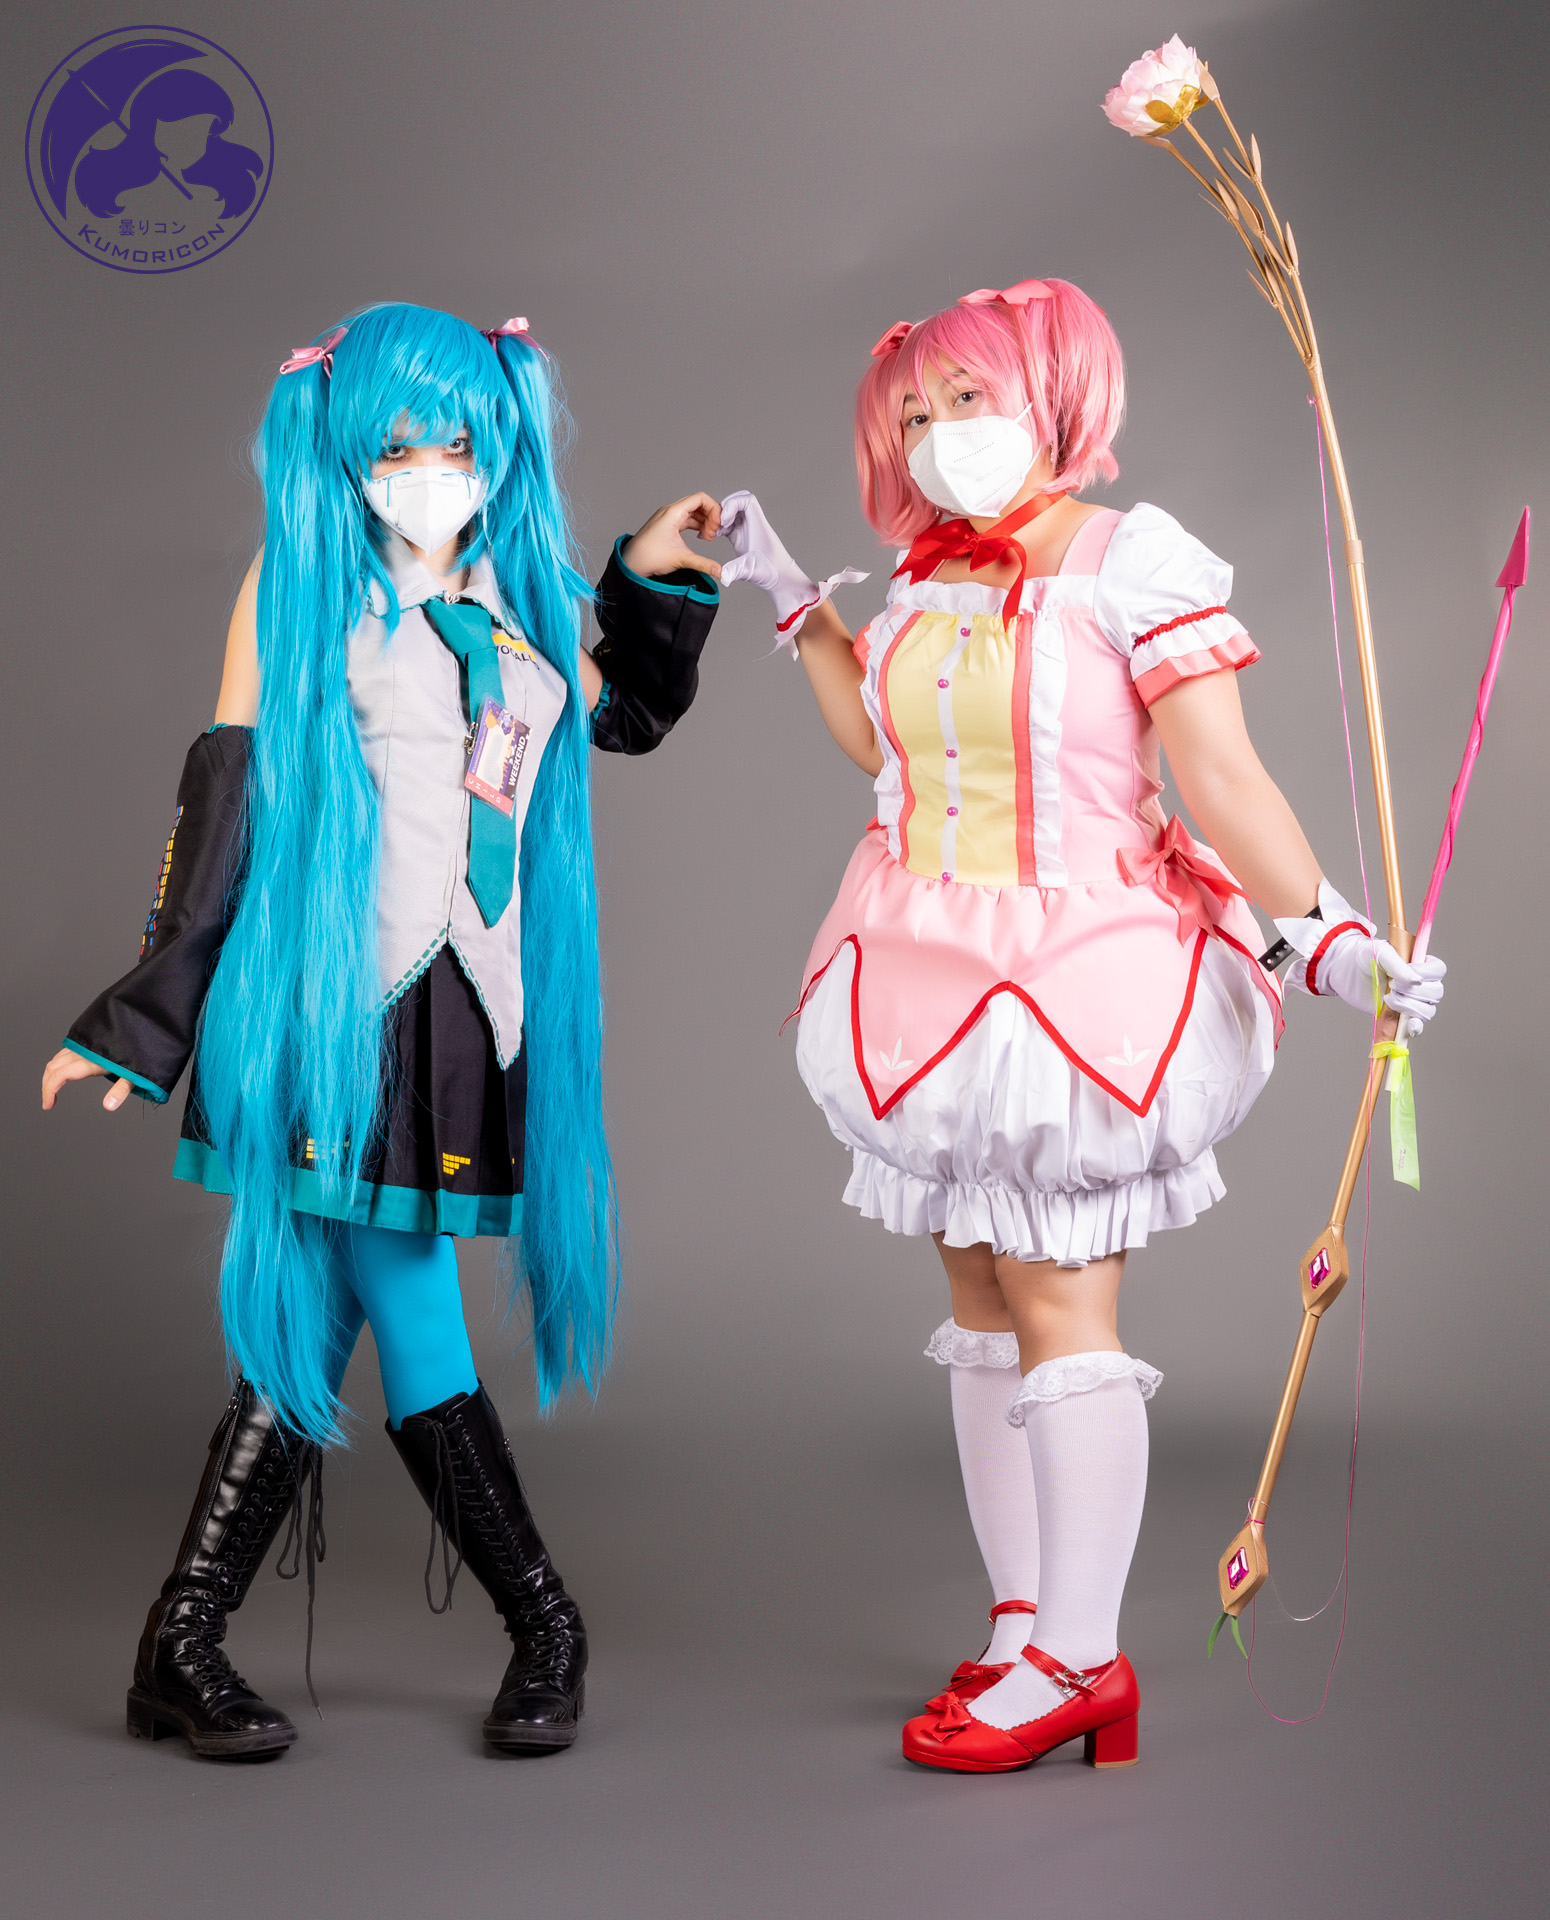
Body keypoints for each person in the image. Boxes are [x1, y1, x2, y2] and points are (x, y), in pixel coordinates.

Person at [719, 277, 1444, 1773]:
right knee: (981, 1298)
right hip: (919, 959)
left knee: (1059, 1305)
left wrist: (1325, 936)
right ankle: (1020, 1624)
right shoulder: (926, 571)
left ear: (1051, 397)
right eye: (915, 413)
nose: (937, 435)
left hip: (1076, 971)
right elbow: (883, 750)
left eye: (966, 400)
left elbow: (1221, 779)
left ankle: (1081, 1659)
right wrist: (794, 598)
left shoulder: (1135, 562)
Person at [41, 302, 723, 1760]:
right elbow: (222, 800)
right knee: (403, 1299)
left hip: (466, 1013)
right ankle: (545, 1625)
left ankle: (178, 1644)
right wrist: (142, 1020)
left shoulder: (523, 591)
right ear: (346, 449)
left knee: (310, 1308)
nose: (426, 471)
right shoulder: (298, 585)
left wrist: (651, 578)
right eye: (395, 447)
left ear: (497, 441)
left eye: (453, 442)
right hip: (324, 1007)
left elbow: (624, 718)